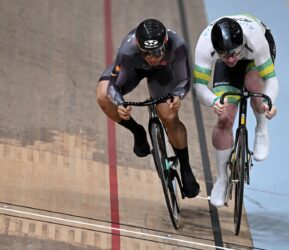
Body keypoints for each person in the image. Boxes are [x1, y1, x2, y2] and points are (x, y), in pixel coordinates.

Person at [96, 19, 200, 198]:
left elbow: (184, 80)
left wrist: (178, 96)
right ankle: (138, 132)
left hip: (163, 73)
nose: (152, 58)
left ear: (165, 44)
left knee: (168, 115)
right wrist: (120, 103)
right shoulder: (127, 50)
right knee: (103, 96)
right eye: (147, 53)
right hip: (133, 69)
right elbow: (113, 84)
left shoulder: (178, 45)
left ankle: (185, 167)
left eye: (157, 52)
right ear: (138, 47)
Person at [193, 14, 279, 207]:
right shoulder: (205, 45)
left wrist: (269, 102)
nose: (231, 59)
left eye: (234, 53)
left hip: (252, 57)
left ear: (241, 43)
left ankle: (261, 128)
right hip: (235, 56)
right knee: (224, 119)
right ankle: (222, 178)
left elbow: (271, 80)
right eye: (225, 55)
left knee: (255, 88)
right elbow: (199, 87)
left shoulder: (255, 39)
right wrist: (213, 100)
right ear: (216, 50)